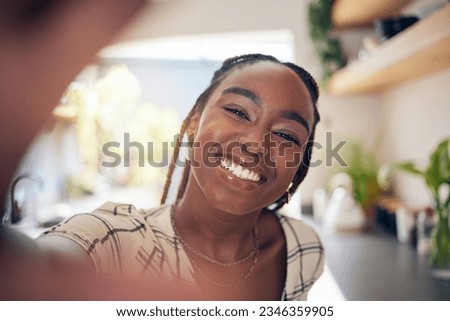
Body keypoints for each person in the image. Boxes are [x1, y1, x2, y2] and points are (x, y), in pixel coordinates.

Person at [38, 54, 324, 300]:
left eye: (286, 135)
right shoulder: (111, 242)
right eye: (238, 111)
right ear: (194, 123)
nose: (256, 144)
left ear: (298, 167)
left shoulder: (304, 248)